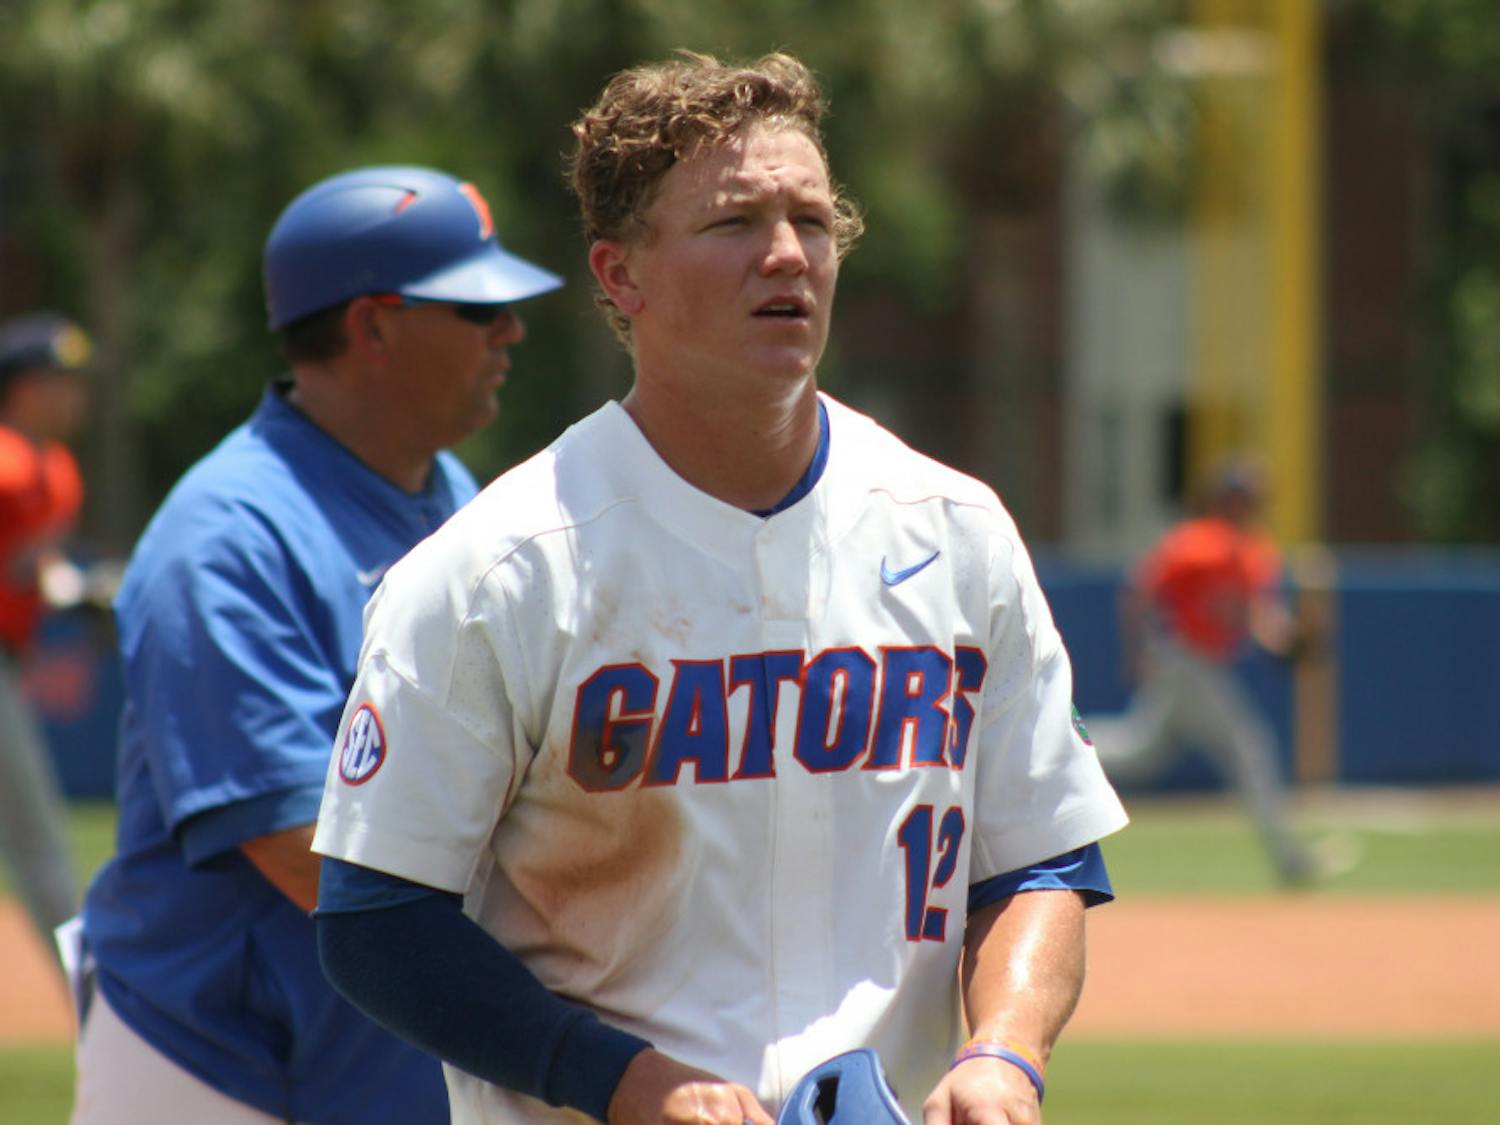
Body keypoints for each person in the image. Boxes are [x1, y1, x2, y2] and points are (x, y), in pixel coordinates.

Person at [312, 52, 1128, 1125]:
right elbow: (375, 920)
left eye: (813, 221)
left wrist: (1005, 1051)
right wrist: (618, 1079)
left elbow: (1038, 861)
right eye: (734, 223)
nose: (787, 254)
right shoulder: (499, 570)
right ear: (621, 277)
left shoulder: (955, 530)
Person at [72, 164, 563, 1124]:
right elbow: (299, 845)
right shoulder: (226, 538)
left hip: (382, 1051)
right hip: (213, 1066)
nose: (510, 330)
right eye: (476, 308)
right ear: (372, 326)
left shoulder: (454, 498)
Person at [1085, 458, 1333, 885]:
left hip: (1203, 665)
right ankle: (1291, 860)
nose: (1248, 505)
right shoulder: (1196, 543)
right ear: (1223, 500)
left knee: (1141, 752)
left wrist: (1289, 640)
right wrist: (1138, 651)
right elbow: (1139, 590)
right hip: (1185, 660)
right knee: (1252, 750)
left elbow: (1262, 619)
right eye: (1241, 497)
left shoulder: (1255, 552)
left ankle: (1066, 743)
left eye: (1252, 498)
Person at [0, 312, 104, 966]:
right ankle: (95, 995)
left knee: (35, 835)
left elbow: (32, 568)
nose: (76, 394)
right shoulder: (8, 463)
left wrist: (76, 589)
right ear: (26, 388)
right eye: (62, 380)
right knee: (37, 837)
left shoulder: (57, 470)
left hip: (10, 659)